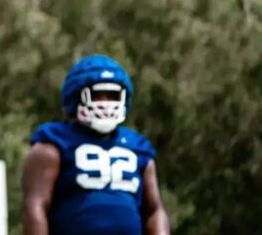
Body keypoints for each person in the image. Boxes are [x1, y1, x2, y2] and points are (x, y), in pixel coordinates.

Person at [22, 55, 170, 235]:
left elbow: (154, 211)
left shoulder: (137, 147)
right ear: (76, 97)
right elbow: (35, 207)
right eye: (97, 95)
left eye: (112, 96)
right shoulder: (55, 143)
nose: (106, 104)